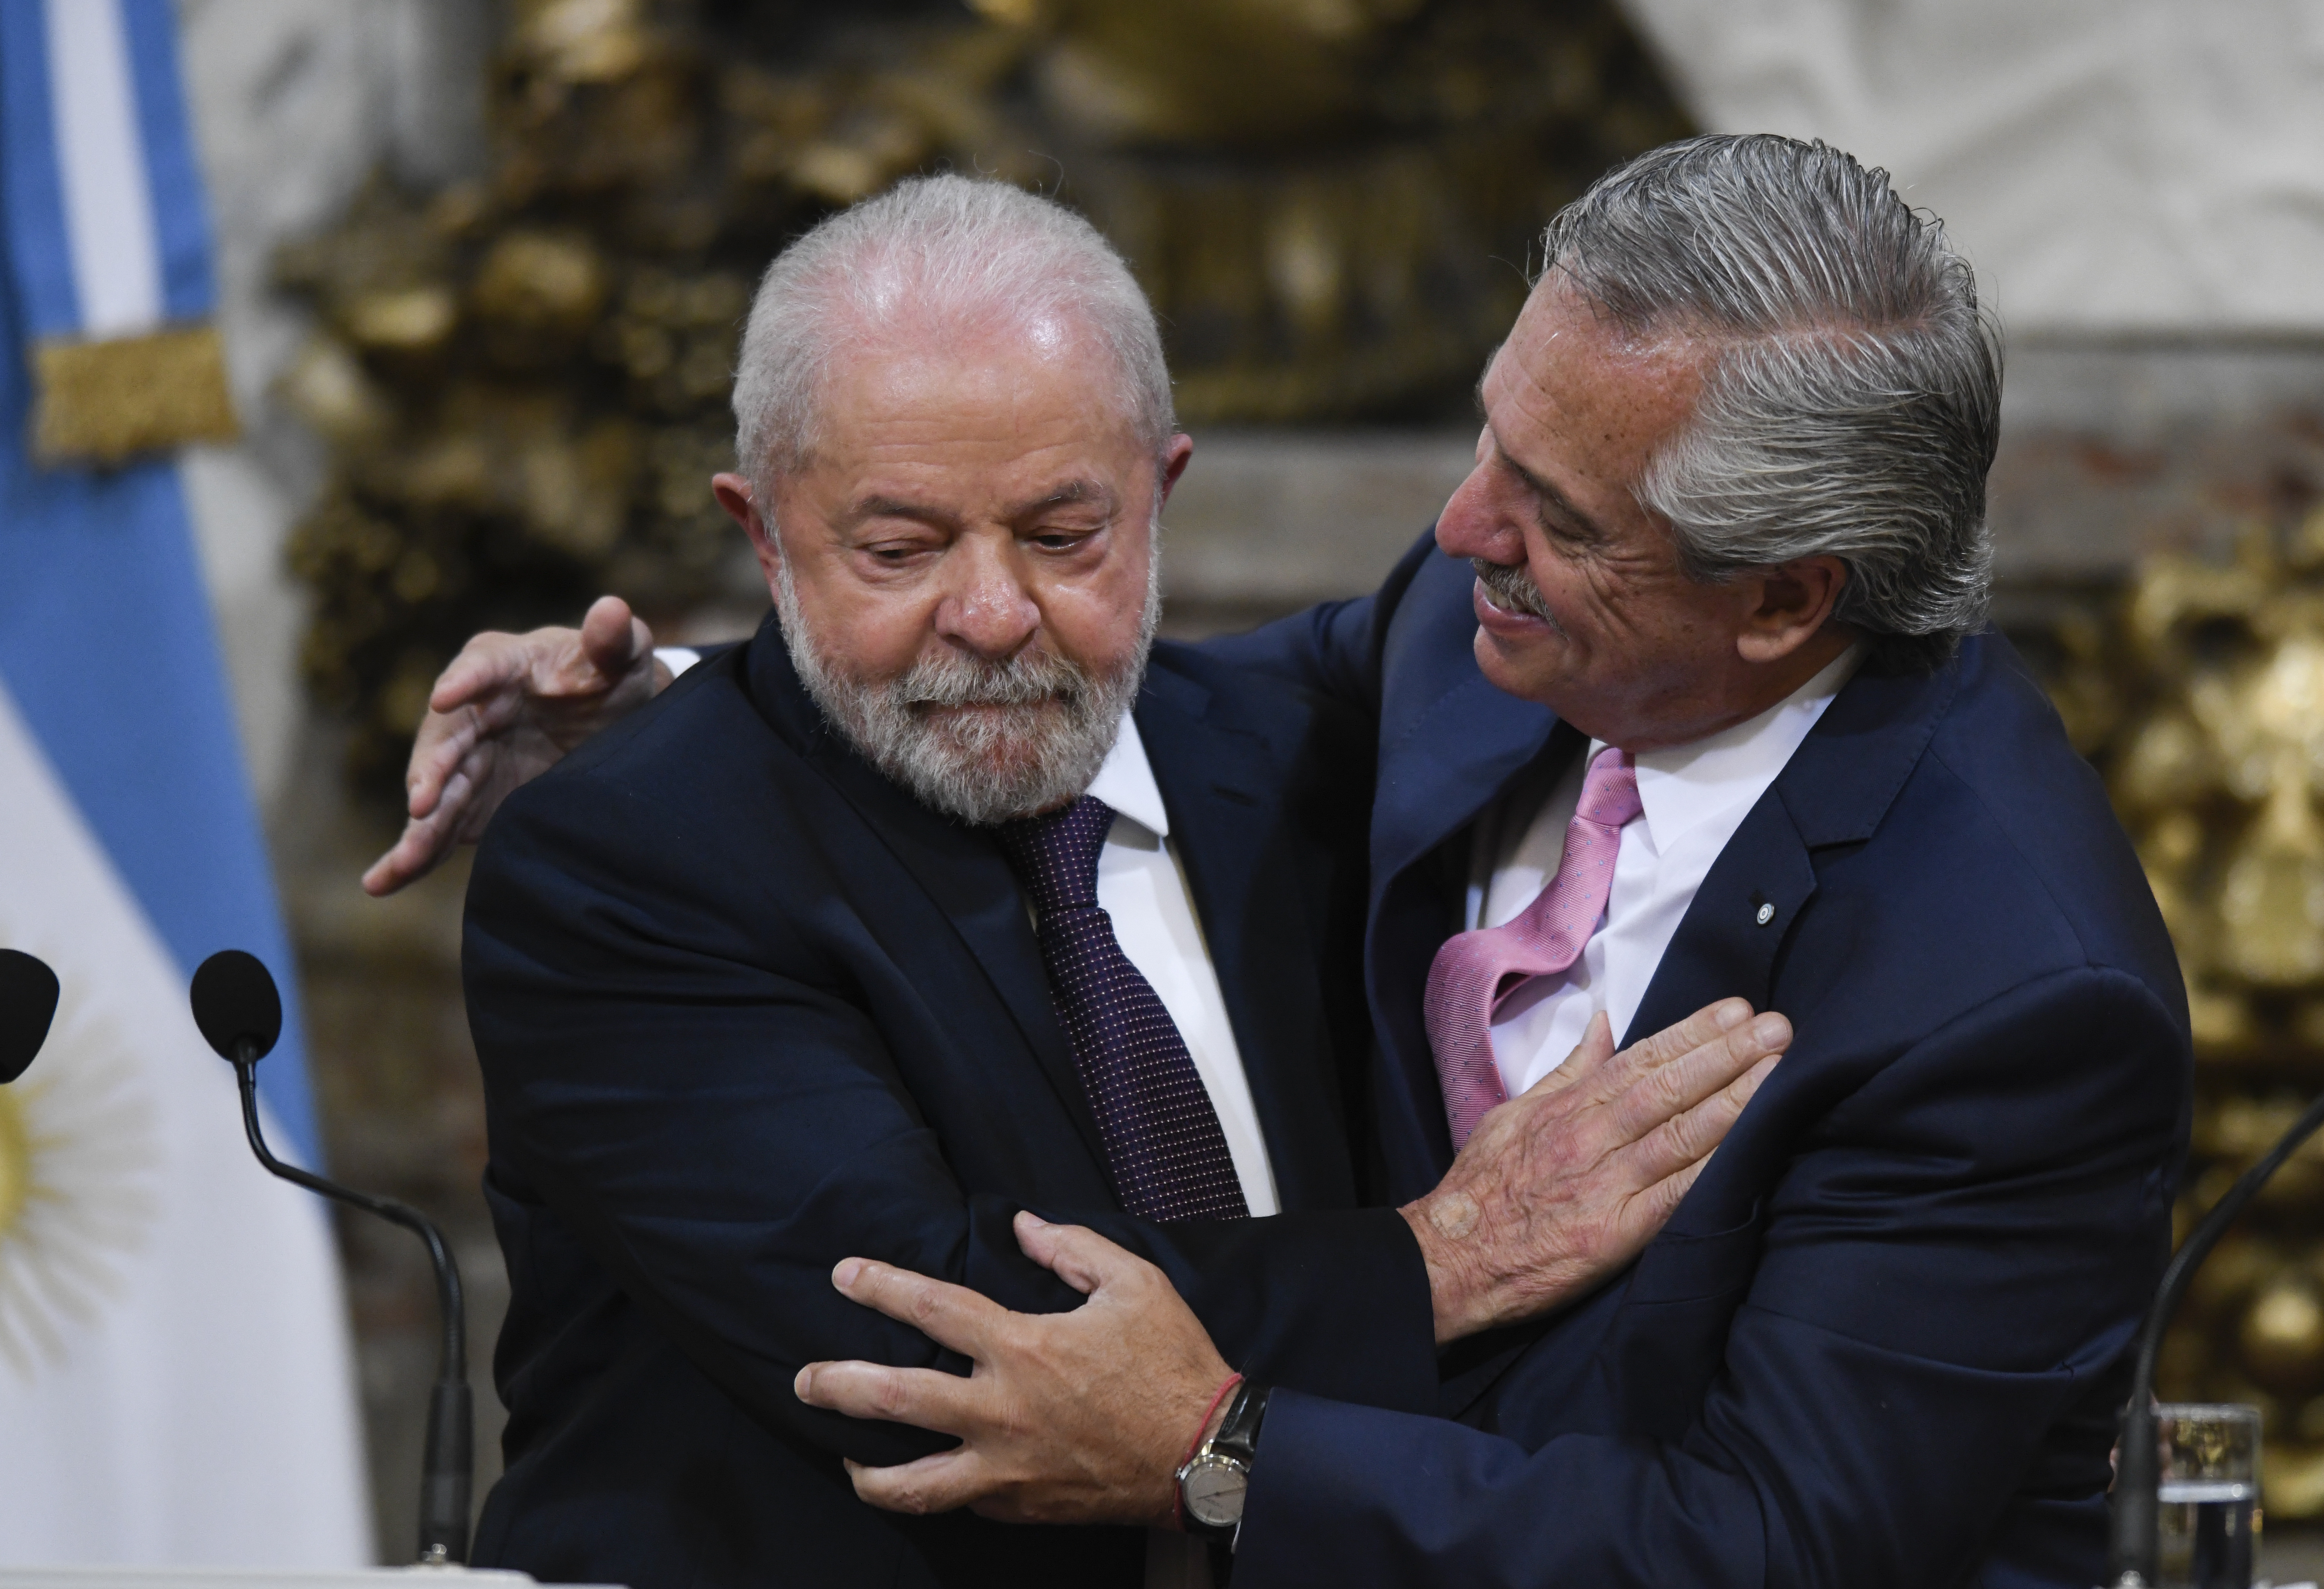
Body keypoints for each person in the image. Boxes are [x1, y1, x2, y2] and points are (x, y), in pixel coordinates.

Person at [413, 137, 2193, 1587]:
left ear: (1785, 599)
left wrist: (1228, 1454)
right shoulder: (1484, 636)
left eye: (1558, 516)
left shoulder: (2010, 992)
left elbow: (1770, 1553)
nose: (1462, 528)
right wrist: (725, 705)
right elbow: (937, 1323)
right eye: (1492, 439)